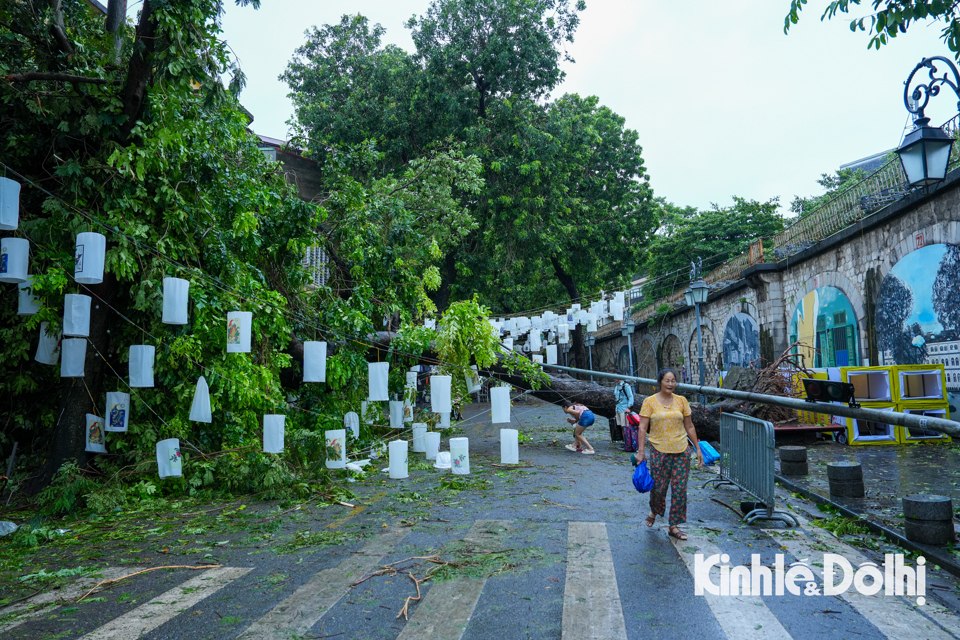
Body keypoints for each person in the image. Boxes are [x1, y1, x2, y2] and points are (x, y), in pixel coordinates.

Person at [635, 368, 703, 540]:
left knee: (680, 489)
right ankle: (654, 510)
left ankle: (674, 525)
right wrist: (641, 452)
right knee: (658, 488)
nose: (670, 384)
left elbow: (689, 426)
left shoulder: (681, 401)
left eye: (673, 381)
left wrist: (698, 448)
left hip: (681, 450)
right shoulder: (649, 402)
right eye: (667, 380)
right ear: (660, 382)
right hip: (659, 450)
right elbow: (642, 427)